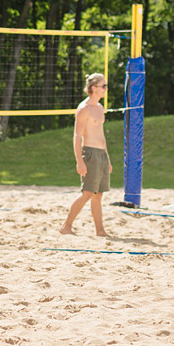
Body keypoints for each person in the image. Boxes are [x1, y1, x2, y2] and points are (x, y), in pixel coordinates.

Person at [60, 73, 111, 236]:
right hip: (89, 153)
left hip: (101, 154)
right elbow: (77, 136)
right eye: (103, 86)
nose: (106, 89)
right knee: (88, 193)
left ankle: (100, 231)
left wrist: (107, 159)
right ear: (94, 88)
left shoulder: (100, 108)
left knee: (98, 195)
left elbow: (102, 136)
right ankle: (66, 226)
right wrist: (79, 161)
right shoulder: (84, 109)